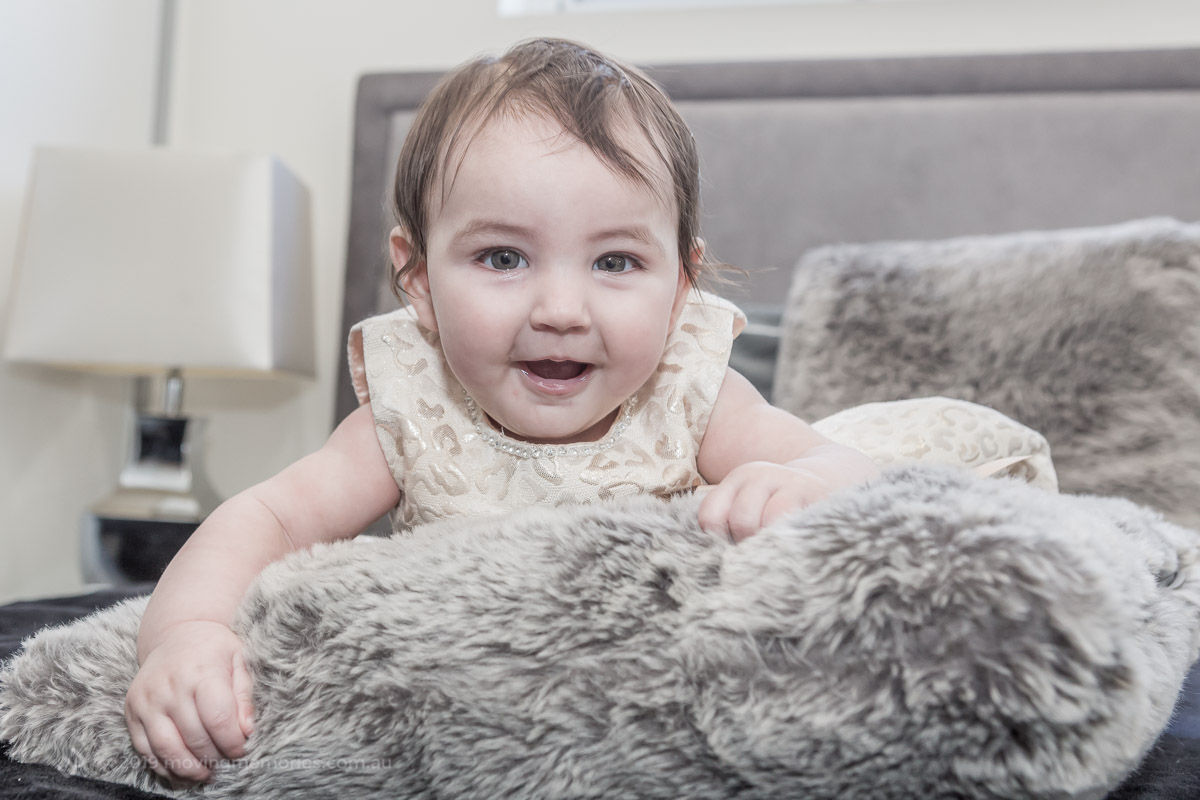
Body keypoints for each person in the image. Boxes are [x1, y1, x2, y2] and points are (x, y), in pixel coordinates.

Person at [124, 37, 880, 784]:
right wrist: (186, 633)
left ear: (680, 287)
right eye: (503, 258)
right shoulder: (413, 413)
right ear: (417, 278)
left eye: (616, 262)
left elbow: (850, 473)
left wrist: (802, 486)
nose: (560, 310)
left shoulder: (691, 398)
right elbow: (270, 518)